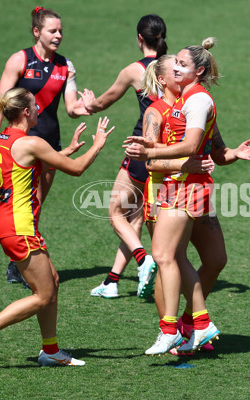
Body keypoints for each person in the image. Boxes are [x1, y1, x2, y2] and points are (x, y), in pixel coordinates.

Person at [125, 38, 250, 354]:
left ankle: (189, 325)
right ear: (163, 79)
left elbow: (212, 148)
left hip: (193, 188)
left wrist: (232, 154)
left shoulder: (193, 103)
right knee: (168, 257)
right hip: (163, 192)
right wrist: (183, 159)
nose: (175, 68)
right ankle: (174, 330)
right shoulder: (156, 112)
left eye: (180, 65)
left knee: (213, 259)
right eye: (172, 67)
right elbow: (150, 161)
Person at [0, 87, 114, 368]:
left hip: (8, 222)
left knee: (53, 282)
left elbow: (30, 166)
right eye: (35, 106)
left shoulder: (3, 139)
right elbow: (77, 169)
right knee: (43, 294)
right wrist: (98, 145)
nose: (38, 110)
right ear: (25, 112)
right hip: (20, 226)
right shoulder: (31, 142)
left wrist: (65, 151)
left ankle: (51, 350)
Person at [0, 7, 90, 287]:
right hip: (19, 145)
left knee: (37, 202)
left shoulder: (65, 66)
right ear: (37, 32)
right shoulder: (20, 60)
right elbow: (0, 103)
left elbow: (71, 108)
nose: (58, 35)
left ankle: (21, 263)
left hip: (49, 143)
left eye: (60, 31)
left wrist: (88, 105)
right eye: (52, 31)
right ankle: (20, 264)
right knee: (21, 200)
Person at [80, 15, 168, 299]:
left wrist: (88, 103)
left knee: (115, 212)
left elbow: (103, 102)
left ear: (139, 38)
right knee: (136, 216)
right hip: (168, 151)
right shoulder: (174, 67)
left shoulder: (134, 71)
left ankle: (144, 260)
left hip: (141, 149)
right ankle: (112, 281)